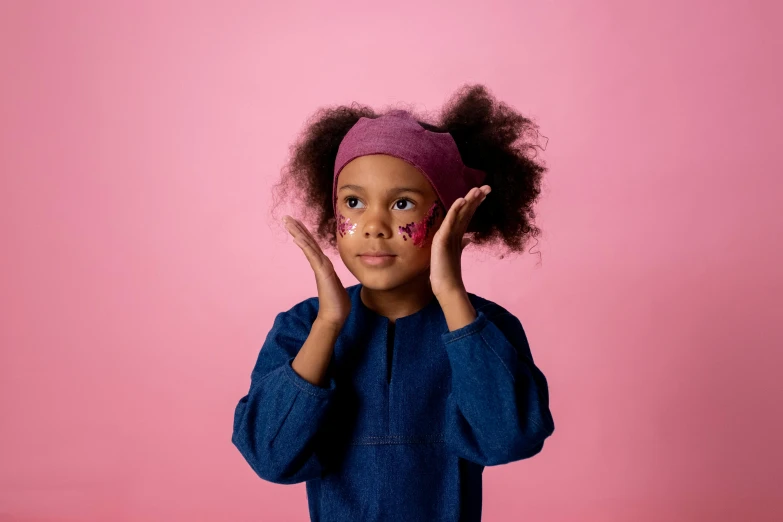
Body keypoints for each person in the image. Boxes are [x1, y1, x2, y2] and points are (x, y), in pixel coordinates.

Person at [232, 84, 555, 522]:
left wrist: (453, 296)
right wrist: (328, 324)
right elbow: (271, 456)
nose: (374, 226)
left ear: (450, 217)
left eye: (402, 204)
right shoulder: (300, 327)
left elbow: (509, 438)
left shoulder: (486, 328)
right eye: (353, 203)